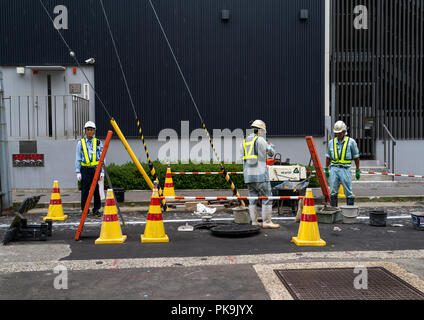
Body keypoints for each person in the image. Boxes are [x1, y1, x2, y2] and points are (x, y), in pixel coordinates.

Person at [241, 120, 280, 229]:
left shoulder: (244, 141)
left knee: (252, 197)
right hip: (260, 174)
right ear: (260, 130)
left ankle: (254, 222)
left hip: (248, 175)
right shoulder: (260, 140)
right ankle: (267, 222)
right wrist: (271, 145)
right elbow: (271, 153)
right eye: (262, 130)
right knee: (267, 196)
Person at [324, 121, 360, 207]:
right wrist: (326, 168)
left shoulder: (351, 142)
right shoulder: (331, 143)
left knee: (348, 191)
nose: (338, 134)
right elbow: (328, 156)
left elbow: (356, 156)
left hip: (345, 169)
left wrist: (357, 169)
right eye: (336, 133)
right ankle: (334, 210)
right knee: (333, 191)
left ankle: (350, 211)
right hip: (334, 168)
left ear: (344, 132)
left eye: (339, 133)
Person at [75, 121, 104, 217]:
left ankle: (96, 209)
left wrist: (102, 171)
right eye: (88, 130)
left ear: (94, 131)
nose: (90, 132)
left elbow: (102, 157)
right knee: (85, 190)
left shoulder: (99, 142)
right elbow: (78, 158)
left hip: (96, 169)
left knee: (96, 191)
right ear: (85, 131)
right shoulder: (80, 143)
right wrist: (78, 171)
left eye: (91, 130)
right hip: (85, 170)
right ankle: (85, 210)